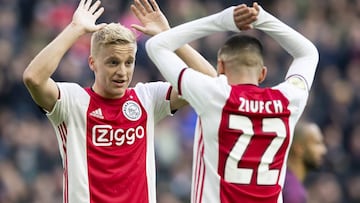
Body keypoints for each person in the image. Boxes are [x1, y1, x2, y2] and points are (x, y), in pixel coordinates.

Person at [22, 0, 215, 202]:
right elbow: (33, 78)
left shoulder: (146, 98)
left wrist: (170, 37)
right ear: (92, 63)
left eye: (128, 62)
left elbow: (209, 82)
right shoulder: (73, 102)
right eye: (113, 62)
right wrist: (75, 29)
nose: (122, 72)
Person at [146, 2, 319, 203]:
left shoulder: (214, 96)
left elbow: (156, 45)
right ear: (263, 73)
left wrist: (223, 21)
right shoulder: (288, 100)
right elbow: (308, 53)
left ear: (220, 67)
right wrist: (261, 18)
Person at [283, 121, 327, 203]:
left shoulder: (282, 180)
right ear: (298, 148)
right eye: (317, 143)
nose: (323, 150)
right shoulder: (293, 194)